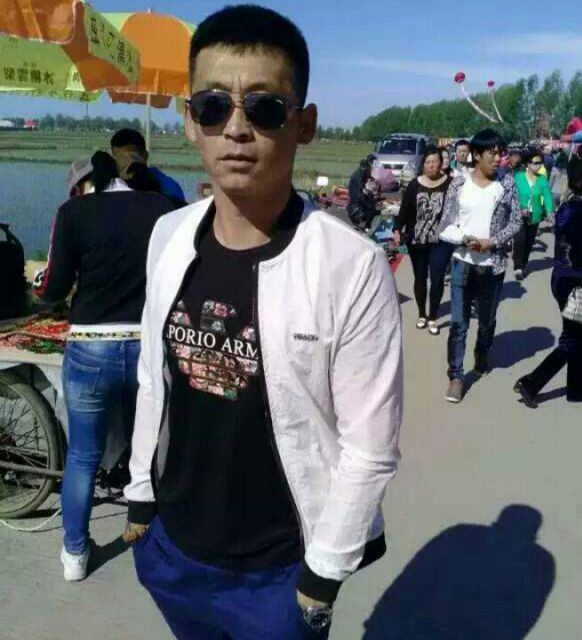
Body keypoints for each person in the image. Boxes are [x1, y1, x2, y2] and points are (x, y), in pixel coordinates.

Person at [122, 6, 403, 640]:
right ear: (190, 121)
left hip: (280, 570)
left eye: (265, 108)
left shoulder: (350, 265)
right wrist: (140, 493)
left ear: (304, 124)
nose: (237, 129)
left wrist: (321, 576)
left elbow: (370, 443)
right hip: (174, 548)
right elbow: (152, 376)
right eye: (213, 106)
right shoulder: (168, 236)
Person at [35, 151, 175, 581]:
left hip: (91, 346)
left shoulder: (73, 213)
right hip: (147, 346)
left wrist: (44, 290)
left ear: (86, 184)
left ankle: (75, 556)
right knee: (153, 452)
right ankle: (161, 545)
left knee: (83, 456)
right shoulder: (163, 208)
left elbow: (53, 287)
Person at [515, 162, 582, 407]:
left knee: (579, 336)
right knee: (575, 339)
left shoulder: (566, 208)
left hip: (560, 278)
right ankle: (531, 383)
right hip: (577, 282)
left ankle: (578, 390)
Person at [438, 129, 520, 403]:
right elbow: (445, 224)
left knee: (486, 321)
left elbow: (516, 222)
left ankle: (482, 350)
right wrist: (465, 239)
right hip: (462, 263)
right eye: (492, 153)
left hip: (493, 266)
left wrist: (492, 241)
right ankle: (456, 377)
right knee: (458, 324)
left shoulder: (506, 184)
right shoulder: (459, 184)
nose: (498, 159)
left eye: (500, 153)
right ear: (476, 154)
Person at [394, 145, 453, 334]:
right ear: (423, 164)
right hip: (416, 240)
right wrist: (397, 228)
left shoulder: (451, 184)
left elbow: (458, 210)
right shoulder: (414, 184)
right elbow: (404, 209)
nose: (431, 165)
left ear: (441, 163)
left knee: (437, 278)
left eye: (435, 161)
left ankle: (433, 316)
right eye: (428, 162)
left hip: (441, 240)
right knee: (419, 278)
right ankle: (422, 314)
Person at [111, 128, 187, 206]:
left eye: (132, 158)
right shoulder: (110, 186)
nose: (126, 165)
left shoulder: (169, 188)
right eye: (119, 159)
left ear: (145, 156)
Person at [513, 149, 554, 280]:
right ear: (527, 163)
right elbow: (512, 195)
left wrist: (549, 211)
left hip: (535, 215)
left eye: (540, 163)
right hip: (519, 214)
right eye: (535, 162)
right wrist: (520, 207)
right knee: (519, 240)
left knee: (529, 241)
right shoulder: (518, 177)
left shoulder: (542, 180)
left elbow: (547, 196)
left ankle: (524, 263)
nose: (538, 165)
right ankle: (518, 267)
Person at [348, 158, 378, 231]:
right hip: (356, 196)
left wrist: (371, 179)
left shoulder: (361, 171)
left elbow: (367, 178)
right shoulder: (358, 175)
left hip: (357, 194)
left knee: (371, 204)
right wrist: (369, 193)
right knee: (370, 208)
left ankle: (366, 224)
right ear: (365, 167)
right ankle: (366, 225)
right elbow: (361, 188)